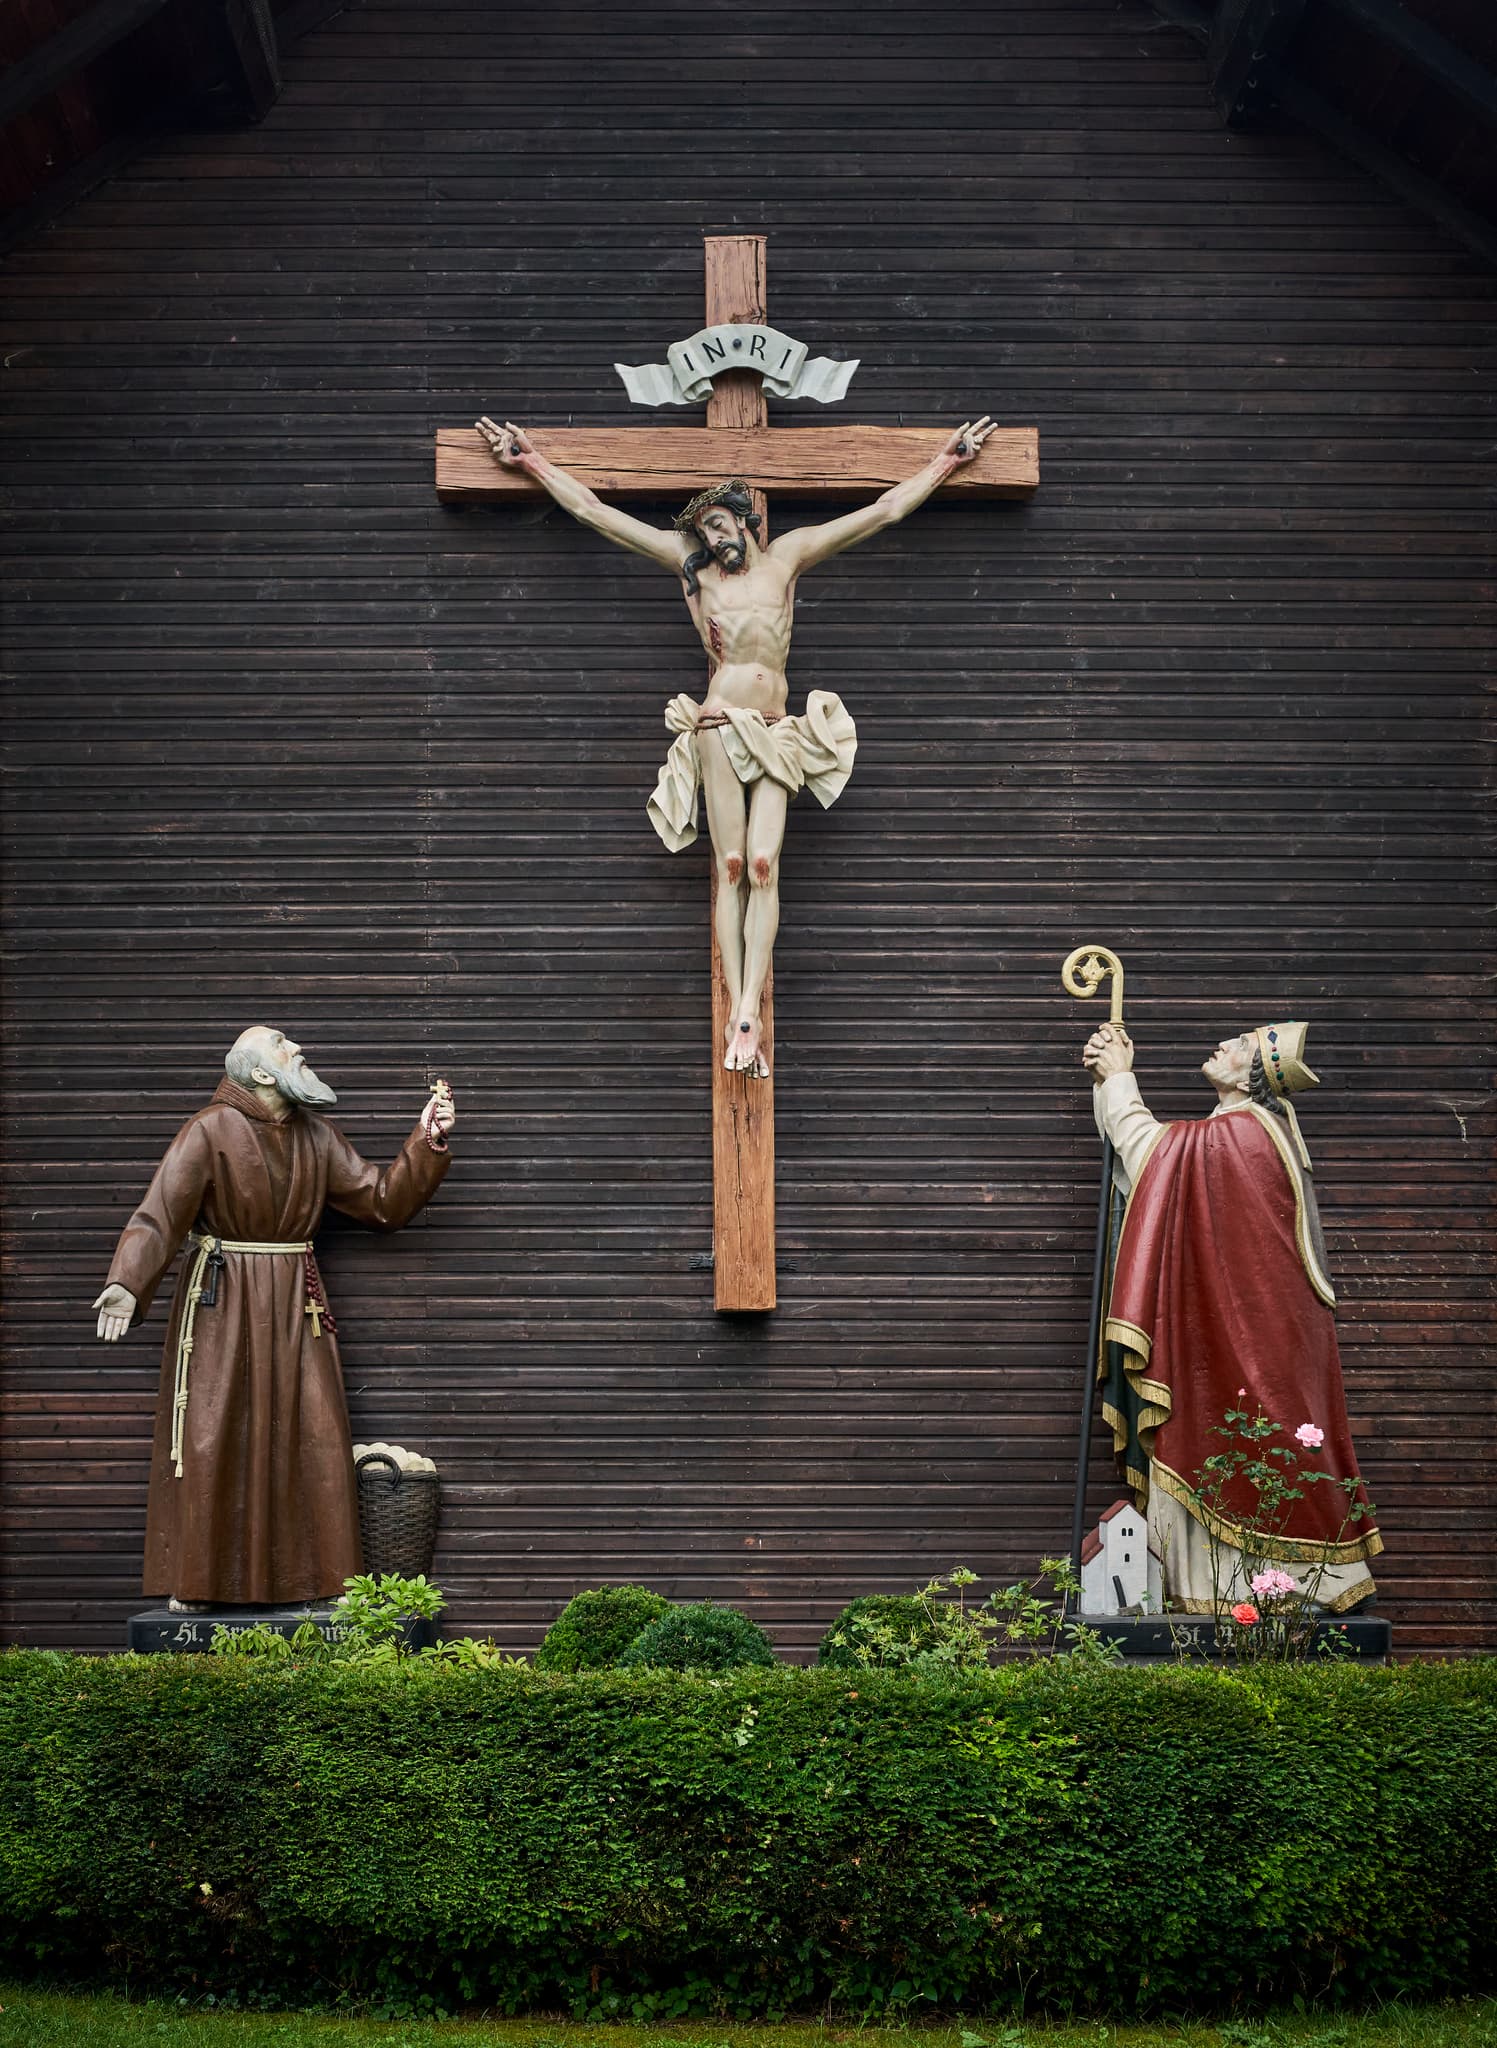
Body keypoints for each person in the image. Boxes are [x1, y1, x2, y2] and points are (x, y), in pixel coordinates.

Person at [476, 415, 996, 1076]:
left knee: (761, 866)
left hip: (776, 730)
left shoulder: (789, 556)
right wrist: (532, 463)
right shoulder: (693, 573)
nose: (713, 538)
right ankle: (737, 1009)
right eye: (704, 532)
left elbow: (884, 511)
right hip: (718, 726)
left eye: (721, 524)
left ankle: (749, 1004)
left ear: (746, 519)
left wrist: (945, 462)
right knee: (726, 864)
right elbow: (596, 513)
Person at [92, 1028, 455, 1610]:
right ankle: (202, 1584)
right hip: (224, 1302)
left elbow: (382, 1201)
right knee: (212, 1435)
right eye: (284, 1045)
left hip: (296, 1302)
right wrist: (127, 1284)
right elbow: (160, 1213)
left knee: (316, 1433)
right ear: (261, 1074)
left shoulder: (317, 1136)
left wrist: (426, 1142)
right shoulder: (208, 1130)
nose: (299, 1050)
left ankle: (326, 1579)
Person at [1083, 1018, 1380, 1613]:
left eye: (1240, 1045)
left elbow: (1153, 1158)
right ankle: (1228, 1591)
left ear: (1256, 1077)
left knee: (1249, 1437)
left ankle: (1291, 1585)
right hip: (1235, 1335)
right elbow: (1166, 1164)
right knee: (1237, 1436)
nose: (1223, 1044)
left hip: (1247, 1345)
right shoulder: (1241, 1133)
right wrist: (1110, 1083)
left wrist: (1120, 1079)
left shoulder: (1243, 1136)